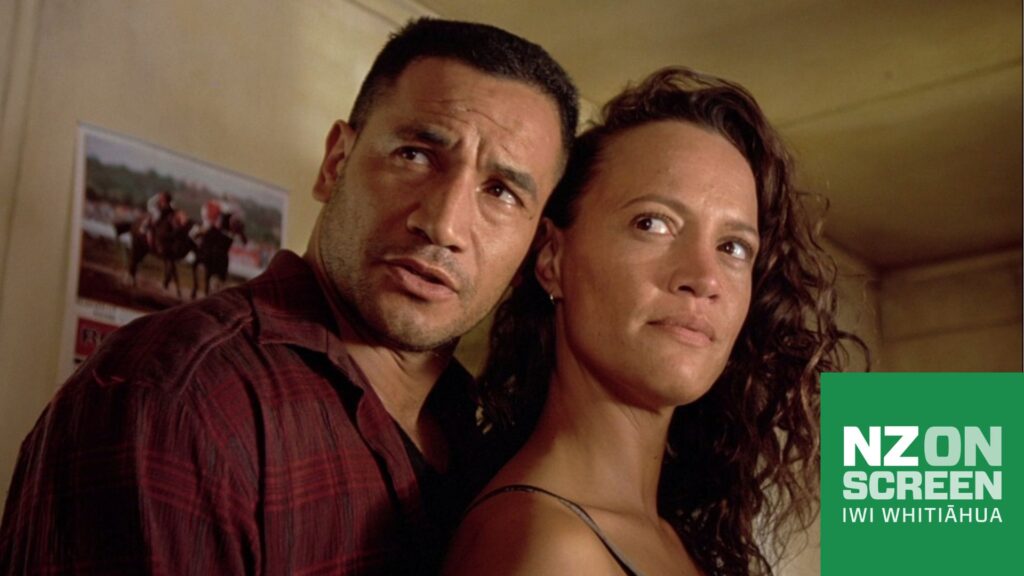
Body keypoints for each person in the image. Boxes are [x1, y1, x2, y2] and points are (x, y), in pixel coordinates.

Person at [0, 18, 578, 575]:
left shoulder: (485, 435)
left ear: (536, 248)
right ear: (336, 162)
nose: (443, 224)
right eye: (415, 155)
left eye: (501, 191)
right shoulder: (175, 398)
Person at [444, 67, 863, 576]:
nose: (704, 278)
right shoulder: (545, 547)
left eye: (733, 247)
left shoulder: (673, 534)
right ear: (552, 257)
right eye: (653, 223)